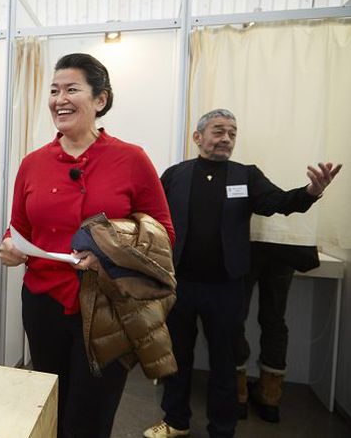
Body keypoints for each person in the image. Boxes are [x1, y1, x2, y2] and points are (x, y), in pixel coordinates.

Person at [0, 53, 175, 438]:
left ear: (100, 99)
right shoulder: (32, 163)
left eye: (71, 89)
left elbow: (164, 233)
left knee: (91, 415)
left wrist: (110, 256)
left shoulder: (131, 159)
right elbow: (18, 229)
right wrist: (10, 249)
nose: (59, 99)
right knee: (48, 405)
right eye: (54, 90)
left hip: (108, 306)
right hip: (43, 303)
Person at [144, 108, 341, 438]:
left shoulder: (245, 175)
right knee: (176, 358)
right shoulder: (176, 175)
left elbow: (278, 201)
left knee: (225, 362)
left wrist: (311, 192)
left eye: (232, 133)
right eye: (219, 131)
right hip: (180, 284)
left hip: (226, 287)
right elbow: (150, 215)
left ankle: (223, 430)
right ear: (198, 137)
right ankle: (176, 421)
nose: (226, 138)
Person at [235, 239, 320, 423]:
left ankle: (238, 393)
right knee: (274, 318)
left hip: (249, 238)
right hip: (285, 240)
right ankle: (270, 395)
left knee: (235, 316)